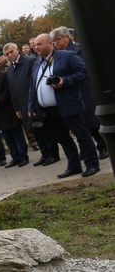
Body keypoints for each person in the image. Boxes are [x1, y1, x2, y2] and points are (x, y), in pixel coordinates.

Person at [28, 33, 99, 178]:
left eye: (39, 44)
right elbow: (33, 87)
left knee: (82, 135)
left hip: (68, 105)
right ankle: (74, 166)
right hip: (49, 110)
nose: (36, 47)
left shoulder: (67, 56)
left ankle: (92, 165)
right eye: (35, 45)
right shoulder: (37, 63)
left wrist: (64, 81)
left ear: (50, 43)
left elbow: (83, 72)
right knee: (62, 138)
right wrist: (31, 106)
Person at [0, 57, 29, 167]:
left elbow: (7, 92)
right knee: (8, 138)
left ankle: (23, 157)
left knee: (17, 136)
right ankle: (15, 157)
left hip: (9, 112)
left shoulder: (4, 76)